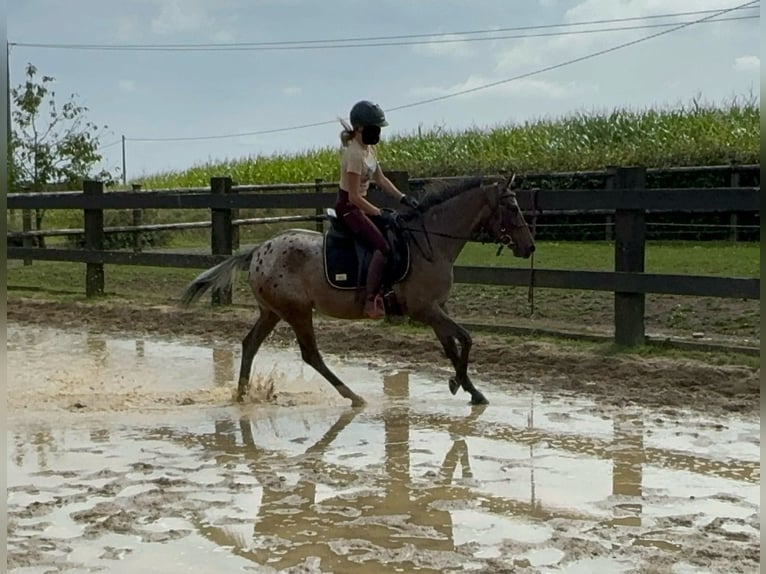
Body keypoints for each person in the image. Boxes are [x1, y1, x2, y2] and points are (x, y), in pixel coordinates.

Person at [335, 100, 419, 319]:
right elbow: (353, 197)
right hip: (348, 208)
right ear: (361, 127)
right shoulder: (353, 154)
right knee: (381, 247)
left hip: (360, 205)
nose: (379, 131)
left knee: (395, 233)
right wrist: (380, 213)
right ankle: (371, 300)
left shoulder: (369, 149)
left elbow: (381, 179)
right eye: (375, 127)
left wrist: (403, 198)